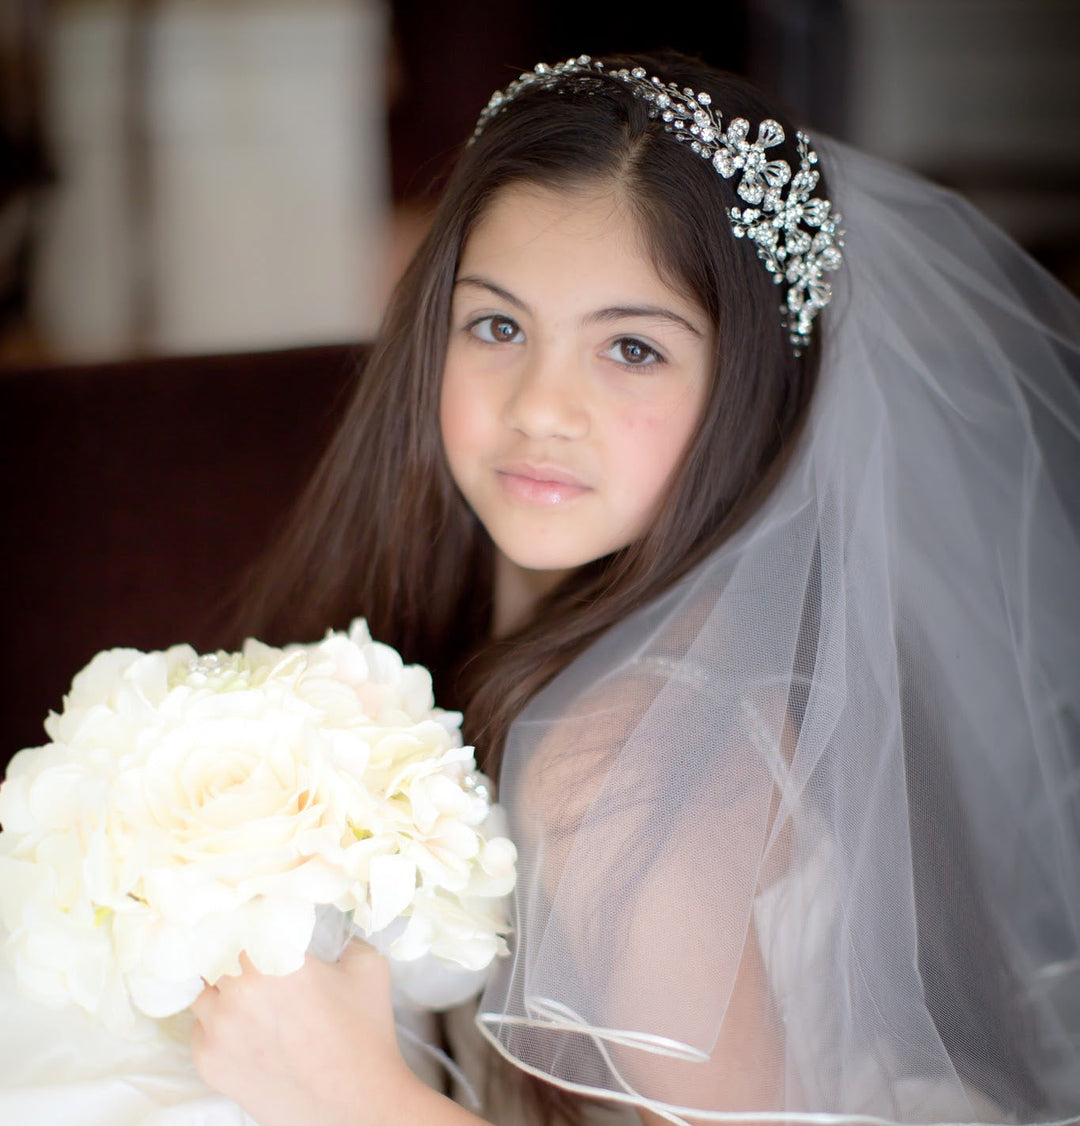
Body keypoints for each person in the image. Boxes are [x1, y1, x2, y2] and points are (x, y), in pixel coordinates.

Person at [189, 52, 1080, 1126]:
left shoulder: (627, 758)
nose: (542, 406)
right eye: (498, 326)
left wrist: (354, 1094)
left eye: (631, 348)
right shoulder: (572, 637)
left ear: (748, 387)